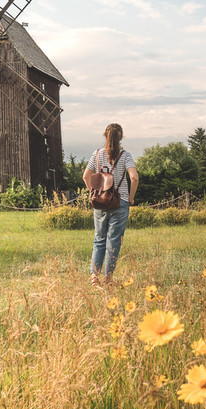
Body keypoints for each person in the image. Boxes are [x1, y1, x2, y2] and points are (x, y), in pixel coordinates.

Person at [83, 123, 139, 288]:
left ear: (105, 136)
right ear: (121, 137)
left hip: (100, 203)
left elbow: (86, 177)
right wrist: (130, 197)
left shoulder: (97, 154)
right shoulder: (125, 155)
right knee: (113, 241)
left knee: (98, 240)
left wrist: (95, 192)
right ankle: (108, 279)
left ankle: (94, 277)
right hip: (119, 202)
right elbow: (134, 178)